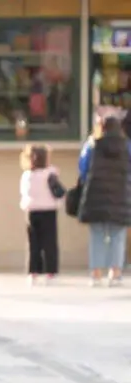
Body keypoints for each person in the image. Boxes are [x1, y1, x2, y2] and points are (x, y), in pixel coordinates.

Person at [77, 114, 130, 287]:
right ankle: (115, 273)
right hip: (120, 195)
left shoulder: (93, 145)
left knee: (97, 234)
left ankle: (96, 273)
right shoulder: (127, 146)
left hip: (96, 194)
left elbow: (83, 167)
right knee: (118, 235)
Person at [18, 144, 62, 284]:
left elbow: (23, 192)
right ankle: (51, 272)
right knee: (50, 243)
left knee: (33, 243)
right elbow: (58, 192)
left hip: (31, 211)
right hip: (49, 210)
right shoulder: (50, 174)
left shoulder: (26, 175)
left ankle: (33, 272)